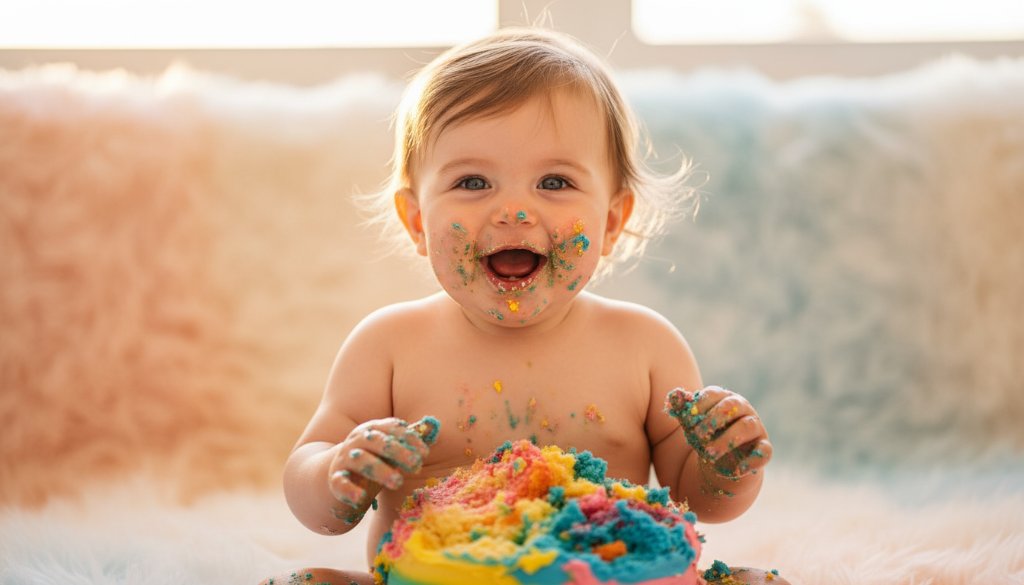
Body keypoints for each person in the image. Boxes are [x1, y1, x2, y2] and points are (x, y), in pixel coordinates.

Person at [265, 27, 783, 585]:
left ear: (611, 221)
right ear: (417, 220)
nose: (513, 209)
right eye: (473, 181)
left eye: (554, 181)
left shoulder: (644, 346)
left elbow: (698, 498)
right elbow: (309, 480)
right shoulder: (389, 344)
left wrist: (726, 464)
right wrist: (339, 473)